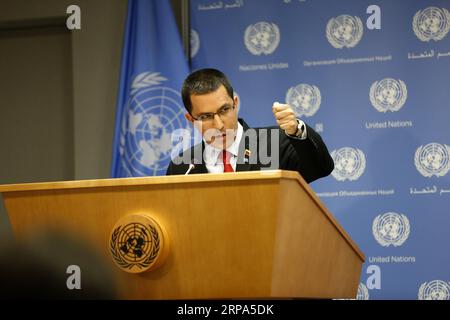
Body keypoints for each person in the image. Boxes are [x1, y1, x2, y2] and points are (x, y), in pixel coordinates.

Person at [166, 68, 334, 183]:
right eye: (206, 116)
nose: (219, 124)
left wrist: (297, 131)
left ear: (235, 104)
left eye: (224, 110)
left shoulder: (276, 143)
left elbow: (320, 168)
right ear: (190, 119)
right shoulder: (182, 166)